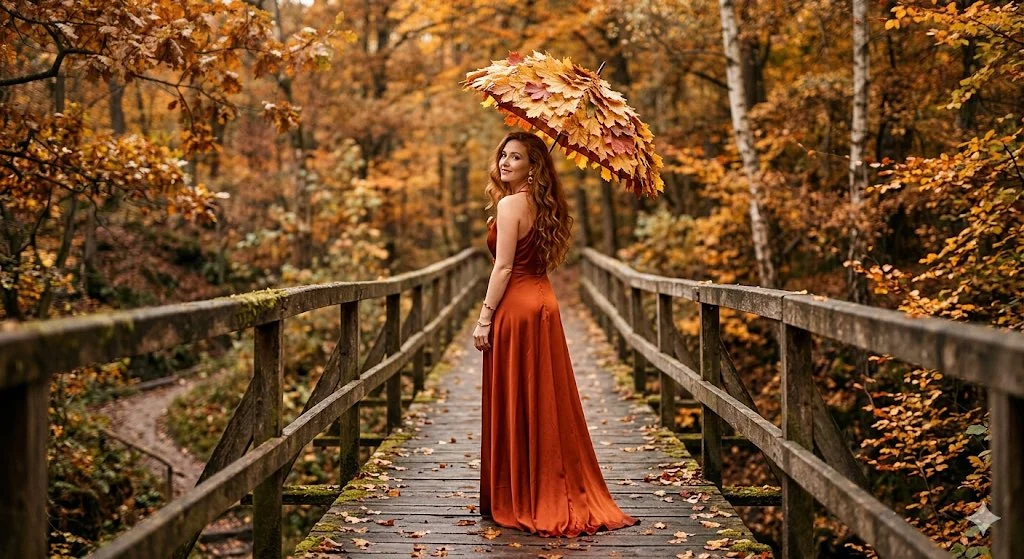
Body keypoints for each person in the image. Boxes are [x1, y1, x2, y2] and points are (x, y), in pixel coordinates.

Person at [472, 131, 640, 537]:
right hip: (545, 303)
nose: (506, 163)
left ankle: (520, 494)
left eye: (516, 157)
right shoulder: (542, 205)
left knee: (521, 396)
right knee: (544, 397)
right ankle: (543, 485)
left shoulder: (512, 204)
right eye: (503, 156)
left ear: (533, 167)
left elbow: (504, 268)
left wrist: (484, 317)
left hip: (517, 307)